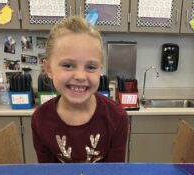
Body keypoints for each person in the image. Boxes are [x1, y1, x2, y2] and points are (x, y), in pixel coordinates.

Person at [32, 16, 129, 163]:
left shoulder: (117, 118)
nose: (80, 76)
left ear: (100, 70)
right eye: (68, 65)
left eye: (91, 67)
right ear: (48, 68)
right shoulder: (40, 119)